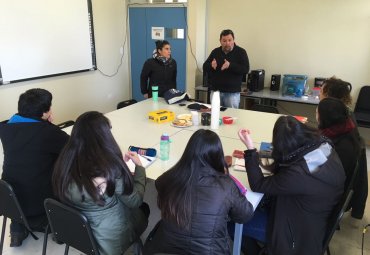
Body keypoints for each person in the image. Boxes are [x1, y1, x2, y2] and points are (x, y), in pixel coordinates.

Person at [238, 116, 345, 255]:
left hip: (295, 235)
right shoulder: (323, 145)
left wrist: (250, 149)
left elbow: (258, 184)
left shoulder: (297, 175)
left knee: (235, 223)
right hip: (312, 218)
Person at [52, 111, 149, 255]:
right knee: (145, 208)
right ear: (103, 136)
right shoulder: (109, 168)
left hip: (81, 234)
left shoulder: (65, 163)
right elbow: (135, 201)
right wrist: (140, 169)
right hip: (112, 239)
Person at [143, 129, 253, 254]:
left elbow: (158, 185)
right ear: (218, 155)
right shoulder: (226, 185)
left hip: (165, 249)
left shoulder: (172, 176)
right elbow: (245, 215)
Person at [0, 88, 69, 247]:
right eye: (49, 107)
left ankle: (17, 229)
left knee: (20, 175)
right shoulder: (46, 132)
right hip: (39, 199)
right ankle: (54, 226)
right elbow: (70, 146)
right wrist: (50, 126)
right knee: (65, 174)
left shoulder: (6, 128)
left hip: (10, 198)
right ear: (44, 113)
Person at [319, 77, 368, 220]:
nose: (319, 93)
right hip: (339, 178)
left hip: (332, 187)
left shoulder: (339, 123)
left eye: (321, 90)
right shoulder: (344, 114)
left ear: (328, 95)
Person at [317, 97, 361, 190]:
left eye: (317, 113)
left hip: (328, 188)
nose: (316, 115)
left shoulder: (339, 146)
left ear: (326, 117)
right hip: (329, 180)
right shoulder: (342, 129)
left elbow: (316, 168)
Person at [203, 29, 249, 108]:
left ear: (233, 40)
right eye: (224, 41)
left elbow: (245, 69)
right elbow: (204, 66)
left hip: (232, 93)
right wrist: (211, 65)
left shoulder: (241, 52)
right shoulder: (215, 52)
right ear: (220, 41)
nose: (227, 43)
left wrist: (230, 65)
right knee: (215, 116)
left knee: (230, 117)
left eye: (229, 40)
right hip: (216, 92)